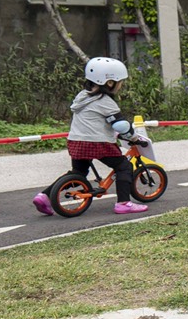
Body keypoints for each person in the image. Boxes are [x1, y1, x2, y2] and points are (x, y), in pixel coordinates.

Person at [32, 56, 150, 216]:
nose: (121, 85)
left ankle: (45, 196)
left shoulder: (82, 96)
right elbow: (120, 125)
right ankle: (123, 203)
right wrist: (134, 137)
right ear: (110, 83)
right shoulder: (105, 101)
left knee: (78, 173)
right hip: (97, 143)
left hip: (76, 141)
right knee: (124, 166)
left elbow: (95, 120)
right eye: (120, 82)